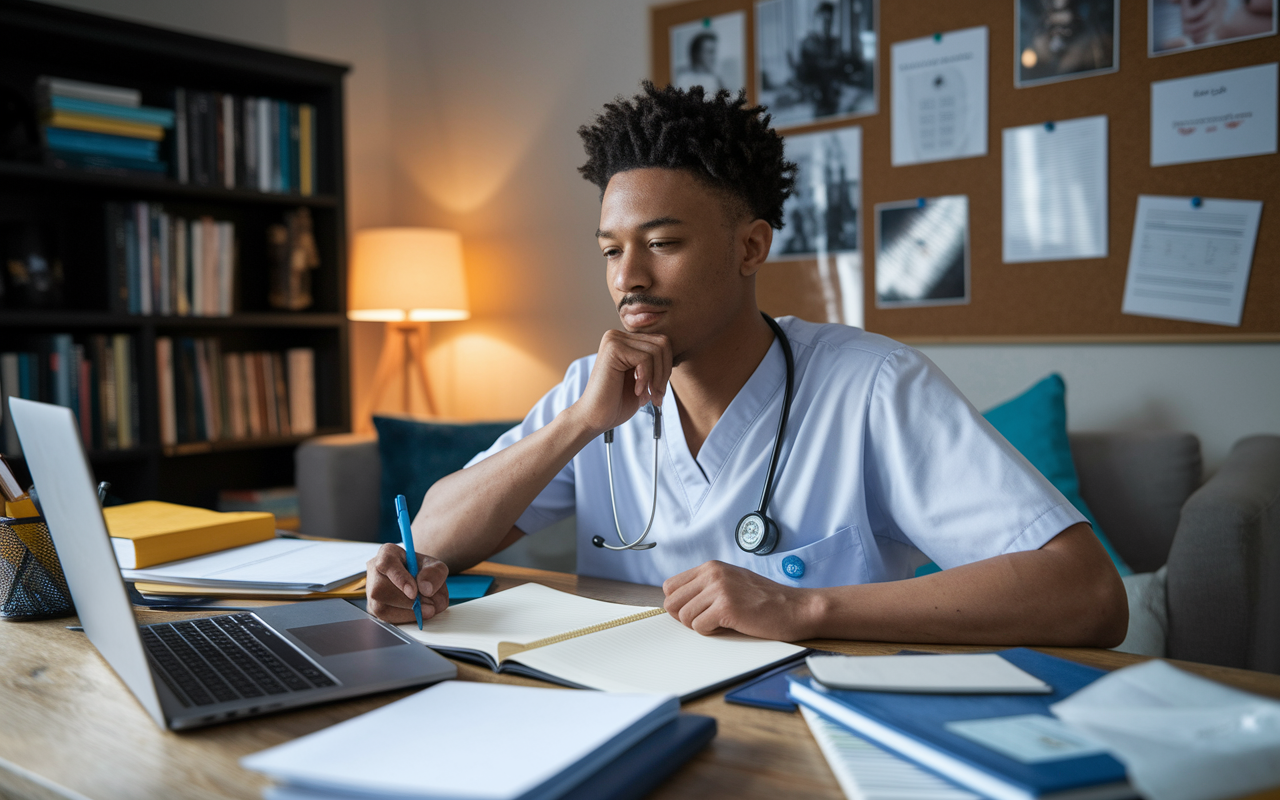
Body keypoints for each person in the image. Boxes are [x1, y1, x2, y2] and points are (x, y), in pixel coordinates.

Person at [366, 83, 1128, 648]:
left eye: (661, 243)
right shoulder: (589, 395)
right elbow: (434, 535)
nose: (627, 276)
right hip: (623, 705)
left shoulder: (872, 385)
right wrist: (575, 426)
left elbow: (1089, 594)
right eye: (610, 250)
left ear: (750, 248)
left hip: (809, 724)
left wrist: (802, 608)